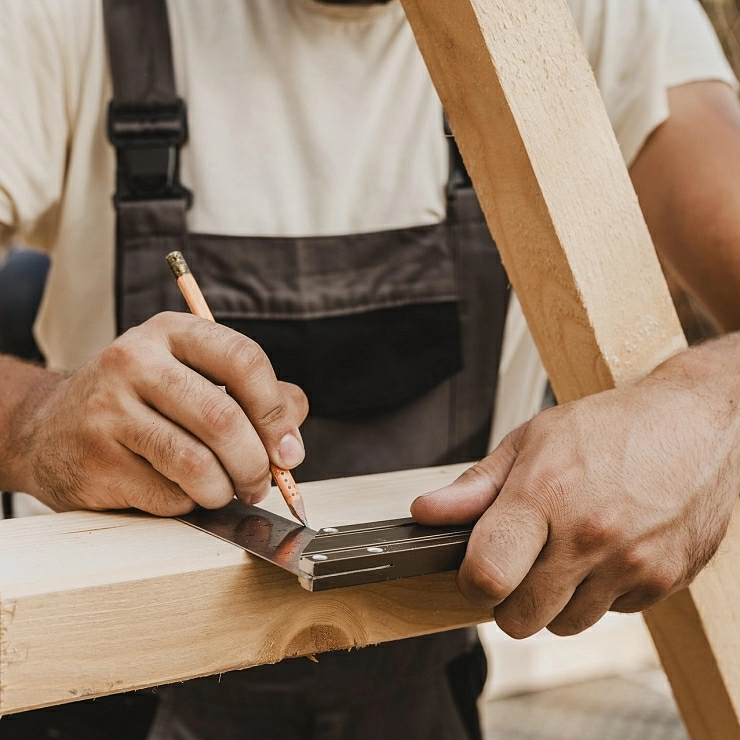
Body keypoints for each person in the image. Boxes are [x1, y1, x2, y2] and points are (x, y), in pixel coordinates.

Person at [1, 0, 739, 738]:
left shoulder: (598, 12)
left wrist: (711, 405)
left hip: (424, 684)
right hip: (99, 693)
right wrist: (34, 421)